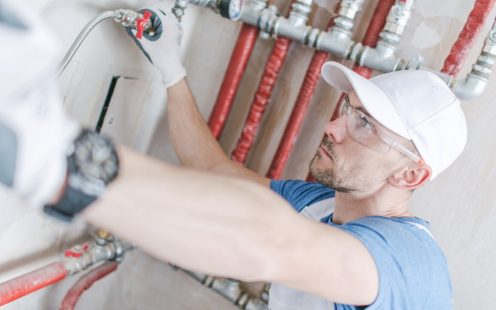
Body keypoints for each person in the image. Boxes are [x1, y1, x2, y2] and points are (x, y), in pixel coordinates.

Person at [0, 0, 466, 309]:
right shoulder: (320, 205)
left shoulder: (411, 264)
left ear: (410, 176)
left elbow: (272, 243)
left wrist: (59, 160)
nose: (333, 126)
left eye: (364, 125)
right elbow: (213, 170)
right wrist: (170, 68)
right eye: (349, 109)